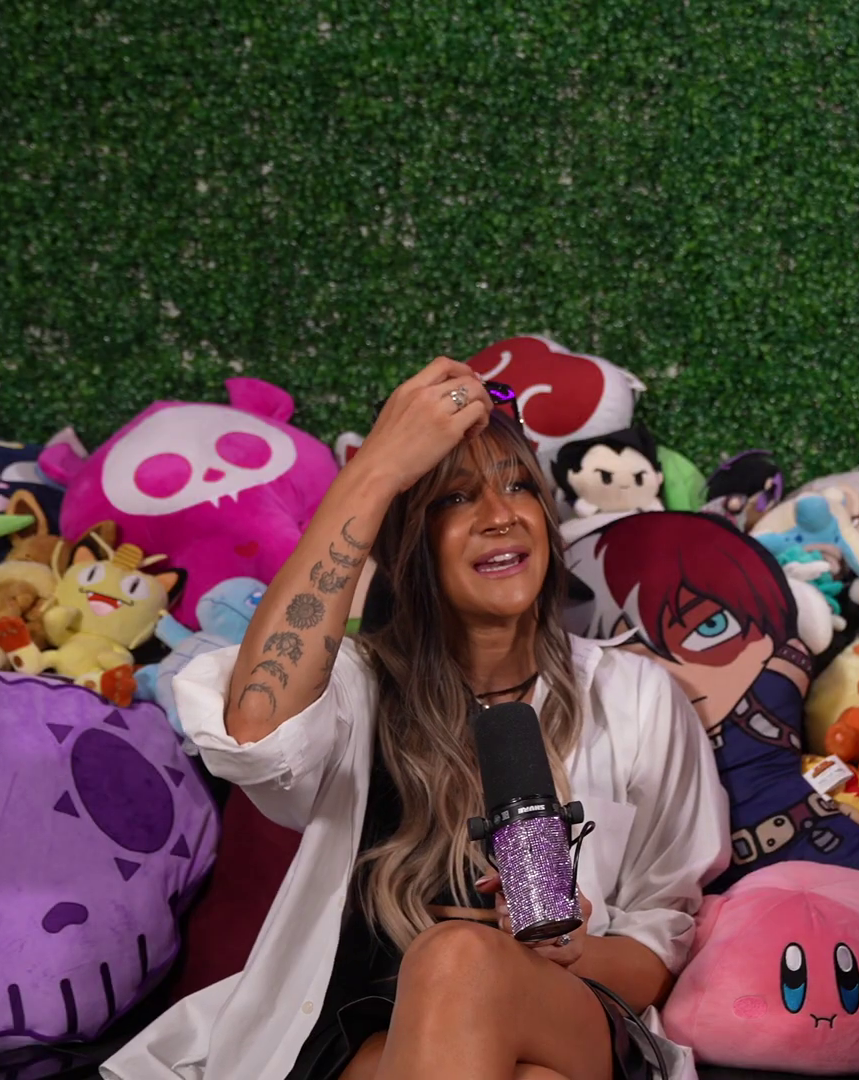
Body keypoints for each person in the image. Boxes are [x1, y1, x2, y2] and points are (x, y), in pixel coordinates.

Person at [103, 358, 731, 1080]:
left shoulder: (637, 697)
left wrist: (571, 947)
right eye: (455, 498)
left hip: (571, 1014)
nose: (500, 515)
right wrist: (374, 473)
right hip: (365, 1034)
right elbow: (256, 736)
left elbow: (657, 949)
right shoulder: (352, 686)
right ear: (408, 540)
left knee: (457, 958)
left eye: (519, 486)